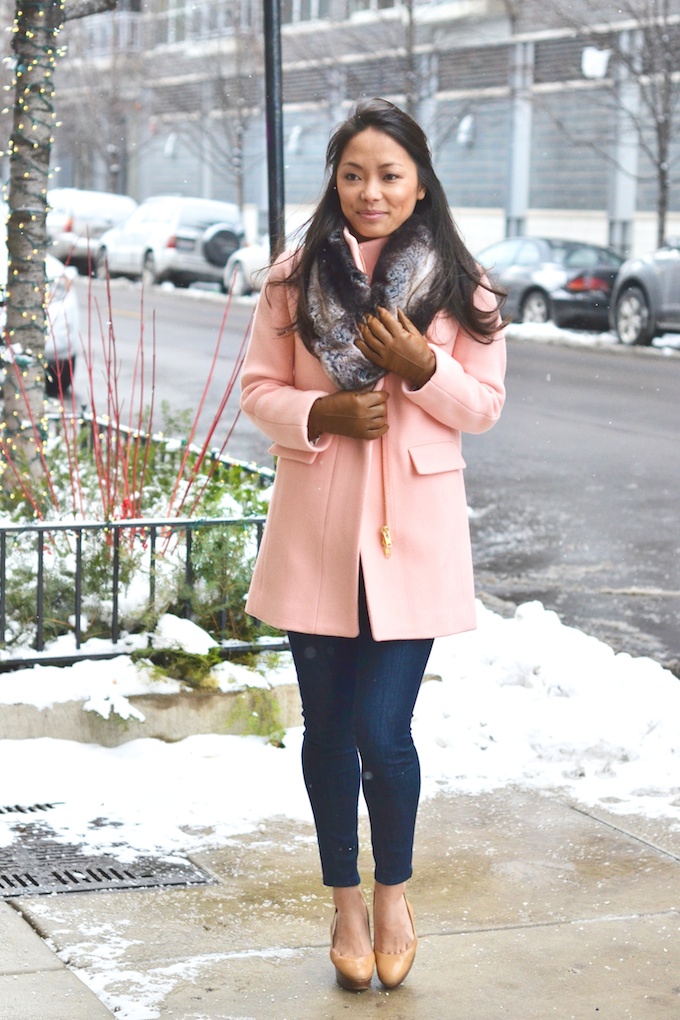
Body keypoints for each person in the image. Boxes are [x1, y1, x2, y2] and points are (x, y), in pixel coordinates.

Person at [240, 97, 506, 992]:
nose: (370, 191)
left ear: (420, 180)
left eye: (389, 174)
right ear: (335, 179)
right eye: (354, 173)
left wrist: (424, 369)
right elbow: (257, 388)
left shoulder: (462, 285)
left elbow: (485, 407)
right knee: (325, 730)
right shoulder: (291, 280)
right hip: (317, 534)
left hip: (411, 538)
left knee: (381, 730)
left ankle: (394, 893)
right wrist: (320, 410)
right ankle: (345, 902)